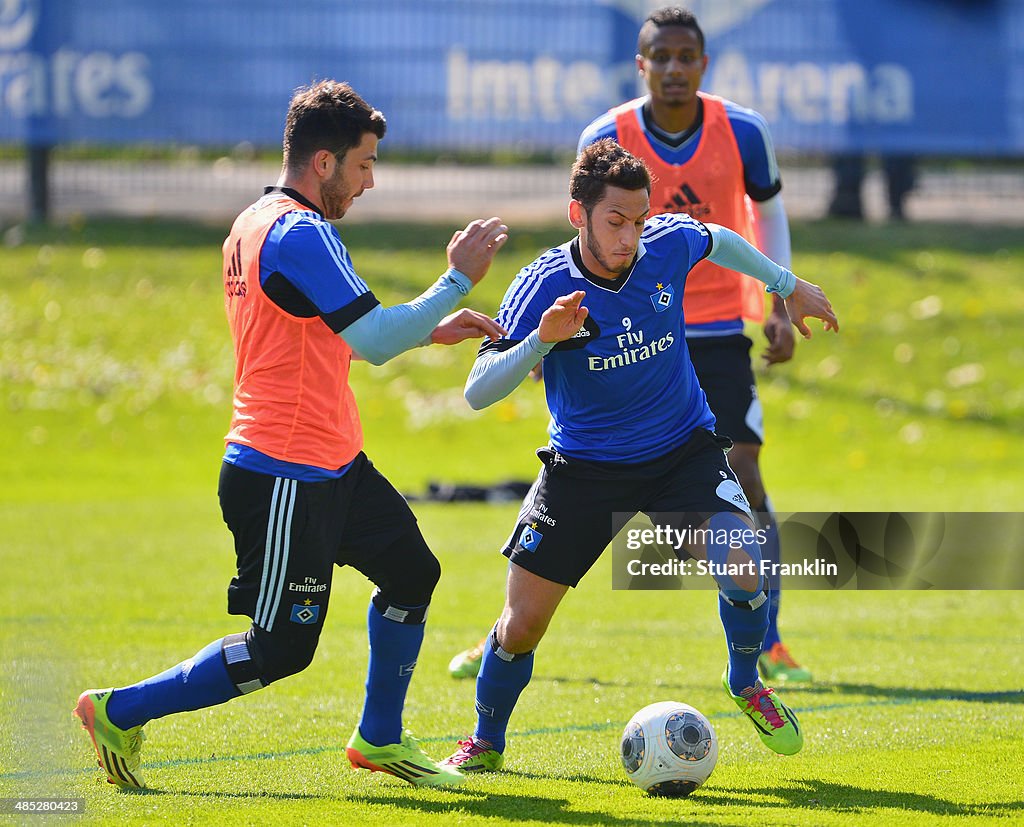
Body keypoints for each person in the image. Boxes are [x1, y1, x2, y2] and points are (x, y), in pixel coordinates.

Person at [73, 80, 509, 790]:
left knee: (412, 572)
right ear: (326, 163)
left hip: (330, 459)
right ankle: (120, 709)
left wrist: (430, 329)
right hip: (283, 471)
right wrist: (456, 281)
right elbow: (369, 337)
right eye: (365, 164)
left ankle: (379, 736)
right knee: (280, 649)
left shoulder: (253, 220)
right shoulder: (301, 232)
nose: (371, 181)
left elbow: (324, 331)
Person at [441, 139, 838, 773]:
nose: (629, 237)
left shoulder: (664, 246)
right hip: (584, 470)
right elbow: (478, 391)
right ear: (580, 214)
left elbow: (719, 240)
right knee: (520, 626)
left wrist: (787, 286)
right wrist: (542, 340)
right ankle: (486, 741)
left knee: (744, 557)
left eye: (638, 220)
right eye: (614, 222)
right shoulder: (544, 284)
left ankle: (744, 681)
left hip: (683, 452)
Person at [448, 5, 812, 685]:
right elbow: (584, 234)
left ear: (704, 64)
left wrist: (780, 300)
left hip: (712, 329)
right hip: (615, 323)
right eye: (661, 58)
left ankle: (768, 638)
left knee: (745, 473)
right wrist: (537, 344)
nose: (674, 69)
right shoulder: (604, 137)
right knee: (580, 466)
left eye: (687, 57)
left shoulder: (742, 130)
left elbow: (761, 214)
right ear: (640, 65)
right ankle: (509, 622)